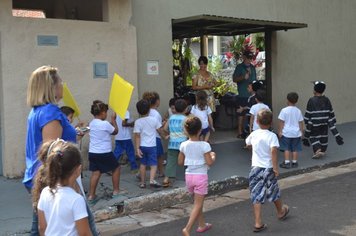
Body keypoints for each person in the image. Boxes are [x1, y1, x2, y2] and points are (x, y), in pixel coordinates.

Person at [24, 65, 98, 235]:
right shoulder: (50, 112)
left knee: (43, 227)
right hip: (54, 178)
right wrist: (69, 183)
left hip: (41, 177)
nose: (63, 84)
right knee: (88, 227)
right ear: (52, 87)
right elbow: (53, 151)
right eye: (60, 81)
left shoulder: (38, 111)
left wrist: (73, 135)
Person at [34, 139, 91, 236]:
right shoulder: (76, 200)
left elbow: (42, 228)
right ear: (78, 169)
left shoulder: (45, 192)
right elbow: (84, 234)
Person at [245, 109, 289, 233]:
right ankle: (280, 211)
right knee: (273, 190)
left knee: (256, 194)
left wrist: (252, 147)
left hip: (255, 168)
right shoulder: (272, 136)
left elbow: (247, 144)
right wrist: (275, 167)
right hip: (268, 168)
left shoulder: (254, 134)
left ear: (257, 122)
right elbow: (274, 151)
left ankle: (258, 222)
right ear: (271, 123)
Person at [178, 116, 216, 236]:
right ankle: (187, 229)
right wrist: (213, 156)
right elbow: (209, 162)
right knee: (198, 204)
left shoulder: (183, 145)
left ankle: (202, 225)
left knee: (197, 203)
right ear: (200, 130)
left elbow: (180, 162)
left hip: (189, 176)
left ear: (186, 130)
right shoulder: (204, 145)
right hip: (200, 176)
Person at [88, 100, 121, 204]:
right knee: (116, 168)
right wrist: (114, 120)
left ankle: (91, 196)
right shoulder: (106, 124)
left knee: (96, 173)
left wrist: (110, 122)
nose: (106, 114)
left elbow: (105, 127)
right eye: (106, 112)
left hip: (93, 152)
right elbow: (115, 131)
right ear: (102, 113)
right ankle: (116, 191)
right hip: (104, 152)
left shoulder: (92, 123)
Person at [303, 81, 344, 159]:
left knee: (313, 136)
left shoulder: (311, 100)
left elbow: (308, 112)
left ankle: (318, 150)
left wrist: (306, 120)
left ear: (314, 90)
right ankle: (323, 150)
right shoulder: (327, 99)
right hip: (325, 121)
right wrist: (333, 119)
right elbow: (331, 110)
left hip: (314, 122)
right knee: (323, 136)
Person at [134, 99, 163, 188]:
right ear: (149, 109)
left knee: (143, 164)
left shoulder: (138, 122)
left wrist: (137, 148)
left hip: (142, 146)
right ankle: (151, 180)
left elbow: (137, 136)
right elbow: (160, 130)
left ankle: (142, 183)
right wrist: (165, 135)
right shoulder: (154, 120)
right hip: (152, 146)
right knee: (153, 164)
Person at [162, 99, 188, 188]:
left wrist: (170, 134)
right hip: (183, 144)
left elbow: (165, 128)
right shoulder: (185, 119)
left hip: (172, 144)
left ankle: (166, 179)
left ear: (175, 109)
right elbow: (187, 131)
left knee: (171, 162)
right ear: (185, 109)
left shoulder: (171, 118)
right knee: (186, 161)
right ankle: (188, 178)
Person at [233, 50, 257, 138]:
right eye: (248, 58)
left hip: (252, 94)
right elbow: (234, 79)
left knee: (251, 112)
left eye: (251, 58)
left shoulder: (253, 67)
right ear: (244, 57)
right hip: (243, 93)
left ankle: (249, 131)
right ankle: (240, 132)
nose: (250, 60)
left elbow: (255, 79)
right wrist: (243, 77)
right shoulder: (239, 67)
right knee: (241, 113)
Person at [142, 91, 165, 178]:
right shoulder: (156, 114)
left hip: (146, 137)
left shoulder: (146, 112)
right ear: (157, 101)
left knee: (146, 157)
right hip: (155, 137)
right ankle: (161, 171)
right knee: (159, 156)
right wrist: (164, 135)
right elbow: (158, 127)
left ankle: (141, 173)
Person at [278, 92, 304, 168]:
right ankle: (294, 162)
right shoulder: (298, 111)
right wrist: (301, 132)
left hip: (286, 133)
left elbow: (281, 122)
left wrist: (280, 131)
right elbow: (300, 122)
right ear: (296, 101)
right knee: (295, 148)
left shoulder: (284, 110)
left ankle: (286, 162)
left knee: (286, 148)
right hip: (296, 133)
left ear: (287, 100)